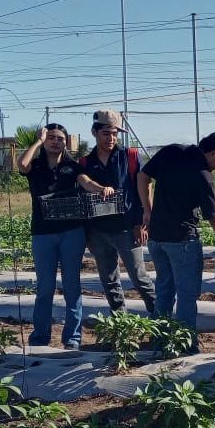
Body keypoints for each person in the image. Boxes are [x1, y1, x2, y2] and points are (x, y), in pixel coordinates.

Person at [17, 123, 114, 350]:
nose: (55, 141)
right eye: (50, 137)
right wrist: (37, 142)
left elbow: (86, 182)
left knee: (72, 285)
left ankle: (72, 338)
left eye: (60, 138)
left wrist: (102, 189)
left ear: (65, 142)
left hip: (71, 232)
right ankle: (40, 337)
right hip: (42, 233)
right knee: (45, 286)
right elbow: (21, 165)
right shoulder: (37, 165)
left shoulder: (72, 166)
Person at [137, 132, 215, 334]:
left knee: (164, 290)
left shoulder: (172, 151)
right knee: (186, 294)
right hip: (182, 239)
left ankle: (160, 339)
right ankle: (185, 343)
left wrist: (148, 210)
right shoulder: (203, 175)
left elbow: (142, 176)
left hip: (156, 238)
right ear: (213, 153)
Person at [81, 109, 156, 315]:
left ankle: (160, 319)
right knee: (109, 279)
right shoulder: (85, 163)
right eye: (106, 133)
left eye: (115, 134)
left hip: (127, 228)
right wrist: (87, 234)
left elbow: (144, 186)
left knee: (139, 277)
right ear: (94, 132)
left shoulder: (129, 156)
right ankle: (120, 321)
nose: (111, 138)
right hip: (98, 231)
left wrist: (142, 221)